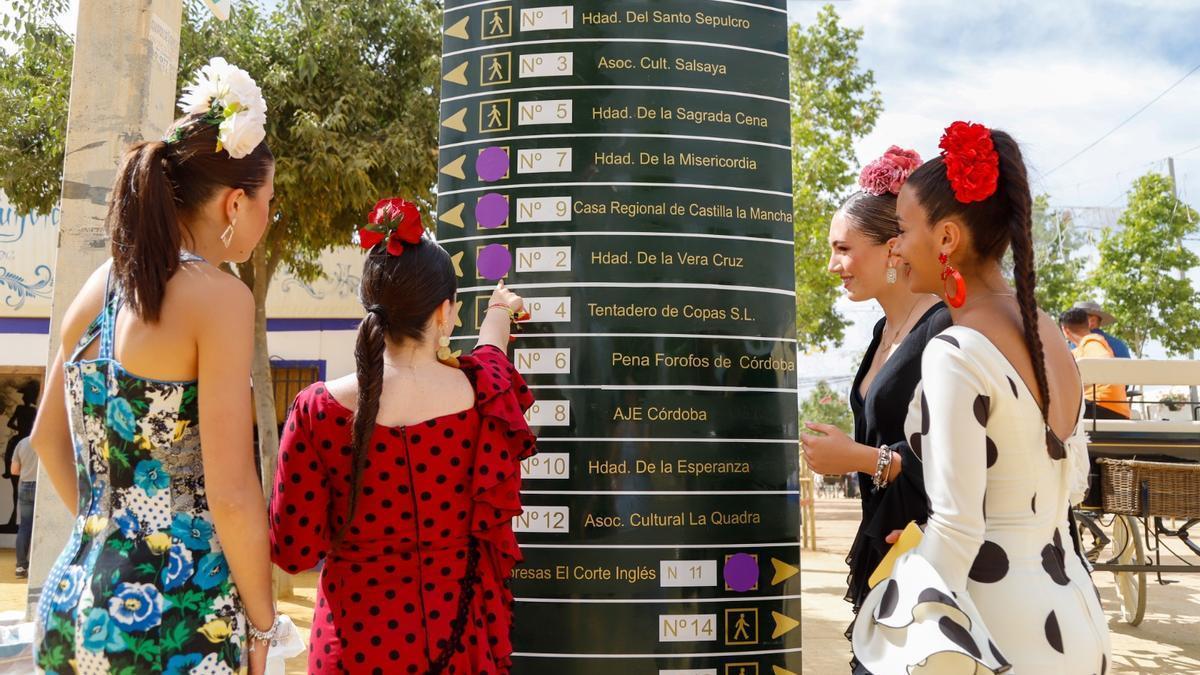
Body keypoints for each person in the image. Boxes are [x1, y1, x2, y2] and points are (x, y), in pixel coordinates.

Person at [29, 58, 279, 674]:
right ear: (234, 203)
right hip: (176, 616)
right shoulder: (221, 300)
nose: (268, 219)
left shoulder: (100, 286)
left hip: (71, 606)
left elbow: (45, 438)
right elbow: (233, 493)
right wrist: (267, 627)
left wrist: (114, 533)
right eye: (267, 202)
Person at [851, 122, 1110, 674]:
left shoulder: (955, 349)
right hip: (1073, 616)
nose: (896, 245)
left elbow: (959, 529)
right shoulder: (1046, 333)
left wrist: (890, 605)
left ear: (946, 239)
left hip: (994, 634)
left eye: (902, 228)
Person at [269, 198, 535, 674]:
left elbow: (294, 550)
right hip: (459, 643)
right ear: (443, 313)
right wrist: (499, 308)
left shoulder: (316, 410)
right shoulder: (480, 395)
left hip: (352, 649)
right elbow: (492, 352)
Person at [803, 146, 949, 671]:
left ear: (893, 248)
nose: (833, 265)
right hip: (887, 545)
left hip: (933, 553)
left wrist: (863, 460)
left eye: (843, 248)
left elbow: (965, 457)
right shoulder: (881, 330)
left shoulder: (945, 328)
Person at [1061, 308, 1130, 419]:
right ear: (1087, 324)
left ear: (1065, 330)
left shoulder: (1092, 343)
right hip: (1113, 409)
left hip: (1100, 408)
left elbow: (1103, 360)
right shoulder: (1084, 346)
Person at [11, 435, 37, 578]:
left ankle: (21, 566)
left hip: (25, 485)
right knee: (46, 526)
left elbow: (14, 470)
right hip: (43, 488)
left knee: (25, 526)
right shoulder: (47, 441)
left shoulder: (22, 443)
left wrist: (28, 469)